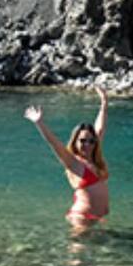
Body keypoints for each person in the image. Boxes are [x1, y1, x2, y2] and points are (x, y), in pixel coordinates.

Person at [24, 86, 109, 229]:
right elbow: (54, 143)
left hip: (97, 218)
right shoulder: (73, 162)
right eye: (82, 141)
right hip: (82, 217)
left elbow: (100, 128)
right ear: (75, 141)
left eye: (91, 141)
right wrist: (39, 123)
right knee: (78, 244)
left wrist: (104, 103)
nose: (87, 144)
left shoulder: (94, 159)